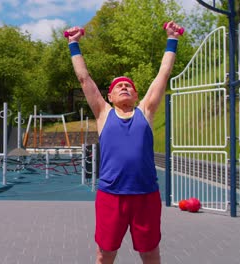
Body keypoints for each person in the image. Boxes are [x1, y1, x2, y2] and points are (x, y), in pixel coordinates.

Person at [65, 21, 182, 264]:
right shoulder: (103, 113)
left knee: (150, 254)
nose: (124, 87)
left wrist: (172, 39)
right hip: (111, 195)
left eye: (128, 85)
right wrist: (73, 43)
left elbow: (163, 74)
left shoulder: (146, 112)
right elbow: (84, 78)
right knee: (104, 254)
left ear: (136, 95)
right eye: (119, 86)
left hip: (146, 194)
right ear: (110, 96)